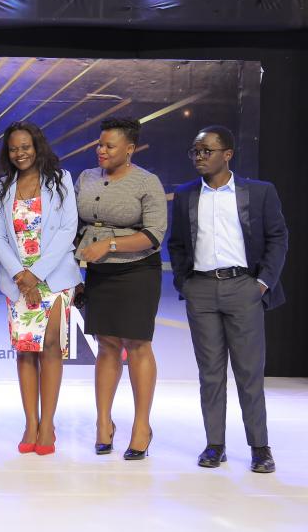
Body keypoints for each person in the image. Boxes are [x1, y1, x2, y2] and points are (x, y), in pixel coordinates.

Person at [167, 125, 287, 473]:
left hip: (243, 287)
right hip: (201, 290)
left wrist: (263, 283)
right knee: (210, 373)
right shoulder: (187, 194)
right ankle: (214, 445)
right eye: (195, 151)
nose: (199, 157)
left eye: (207, 150)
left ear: (228, 154)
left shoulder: (260, 192)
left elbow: (278, 237)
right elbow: (176, 244)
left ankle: (260, 448)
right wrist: (184, 283)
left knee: (249, 372)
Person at [75, 117, 167, 460]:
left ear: (130, 148)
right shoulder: (85, 177)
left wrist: (110, 245)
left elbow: (155, 233)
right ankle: (103, 424)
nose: (101, 150)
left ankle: (142, 426)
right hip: (98, 273)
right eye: (99, 144)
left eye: (109, 146)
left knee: (138, 345)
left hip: (137, 271)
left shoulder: (148, 182)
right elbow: (76, 224)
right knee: (106, 345)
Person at [0, 122, 82, 456]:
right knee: (26, 350)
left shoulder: (60, 181)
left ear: (37, 146)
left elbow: (68, 229)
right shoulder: (1, 187)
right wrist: (20, 274)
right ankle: (31, 422)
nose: (20, 153)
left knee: (51, 347)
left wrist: (36, 274)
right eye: (14, 148)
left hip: (54, 279)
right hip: (19, 283)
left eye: (25, 146)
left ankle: (48, 424)